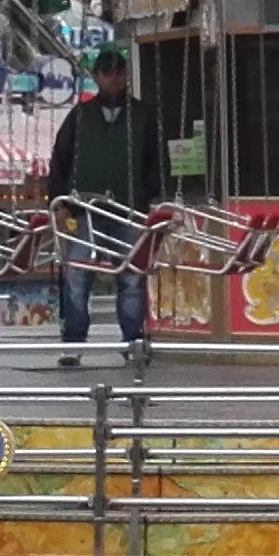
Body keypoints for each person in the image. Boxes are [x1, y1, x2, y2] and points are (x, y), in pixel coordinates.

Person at [43, 48, 174, 358]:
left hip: (129, 211)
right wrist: (59, 202)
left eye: (119, 72)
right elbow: (60, 160)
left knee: (132, 278)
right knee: (77, 276)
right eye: (107, 72)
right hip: (84, 210)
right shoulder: (79, 116)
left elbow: (157, 161)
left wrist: (150, 198)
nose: (113, 79)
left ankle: (133, 340)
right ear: (97, 76)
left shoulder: (143, 116)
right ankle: (73, 341)